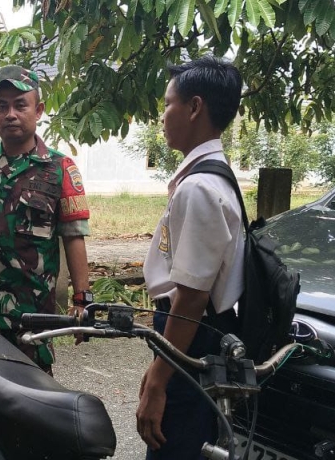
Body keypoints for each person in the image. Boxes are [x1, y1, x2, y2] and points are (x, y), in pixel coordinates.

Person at [0, 65, 92, 374]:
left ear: (38, 110)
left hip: (34, 318)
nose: (10, 113)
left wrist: (82, 300)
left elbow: (74, 237)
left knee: (34, 405)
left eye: (20, 104)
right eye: (3, 106)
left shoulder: (59, 169)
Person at [136, 56, 244, 459]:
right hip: (193, 335)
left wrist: (158, 382)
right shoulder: (213, 175)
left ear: (195, 107)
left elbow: (193, 298)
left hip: (191, 337)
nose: (163, 116)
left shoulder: (199, 187)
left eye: (168, 104)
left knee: (172, 445)